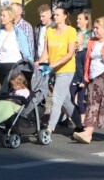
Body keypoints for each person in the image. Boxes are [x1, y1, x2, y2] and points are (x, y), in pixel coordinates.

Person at [36, 7, 83, 135]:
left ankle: (49, 129)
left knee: (56, 98)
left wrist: (56, 63)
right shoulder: (49, 31)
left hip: (66, 69)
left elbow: (70, 53)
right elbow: (46, 52)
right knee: (65, 99)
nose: (54, 17)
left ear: (65, 16)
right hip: (52, 68)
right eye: (54, 15)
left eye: (57, 15)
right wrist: (39, 62)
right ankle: (80, 124)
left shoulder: (71, 31)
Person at [0, 6, 32, 90]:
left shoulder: (19, 33)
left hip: (13, 66)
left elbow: (26, 52)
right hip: (0, 65)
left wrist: (30, 67)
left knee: (6, 91)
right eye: (1, 15)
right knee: (8, 92)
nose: (1, 17)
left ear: (11, 18)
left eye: (4, 16)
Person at [0, 72, 30, 137]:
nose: (12, 86)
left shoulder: (25, 91)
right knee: (0, 103)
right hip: (11, 104)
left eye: (13, 85)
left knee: (7, 107)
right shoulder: (14, 91)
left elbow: (24, 102)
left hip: (18, 107)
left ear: (19, 84)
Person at [71, 33, 87, 123]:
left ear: (82, 41)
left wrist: (84, 81)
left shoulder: (84, 53)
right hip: (73, 79)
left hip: (81, 80)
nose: (75, 42)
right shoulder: (73, 52)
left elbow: (86, 68)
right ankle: (74, 117)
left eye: (77, 40)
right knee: (71, 99)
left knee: (80, 101)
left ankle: (82, 120)